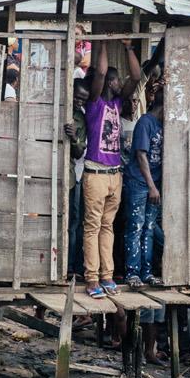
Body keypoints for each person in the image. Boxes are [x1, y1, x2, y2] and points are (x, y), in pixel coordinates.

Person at [79, 55, 128, 298]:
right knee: (93, 226)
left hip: (113, 174)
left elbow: (138, 77)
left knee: (107, 226)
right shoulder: (95, 104)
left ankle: (107, 275)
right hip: (96, 172)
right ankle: (91, 278)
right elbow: (98, 73)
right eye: (118, 79)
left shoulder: (117, 104)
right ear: (110, 82)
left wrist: (128, 48)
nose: (121, 83)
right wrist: (107, 44)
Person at [125, 83, 165, 287]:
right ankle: (132, 272)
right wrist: (151, 186)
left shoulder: (163, 125)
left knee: (148, 228)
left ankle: (146, 272)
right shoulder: (146, 122)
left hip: (153, 184)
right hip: (139, 183)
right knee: (136, 226)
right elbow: (141, 155)